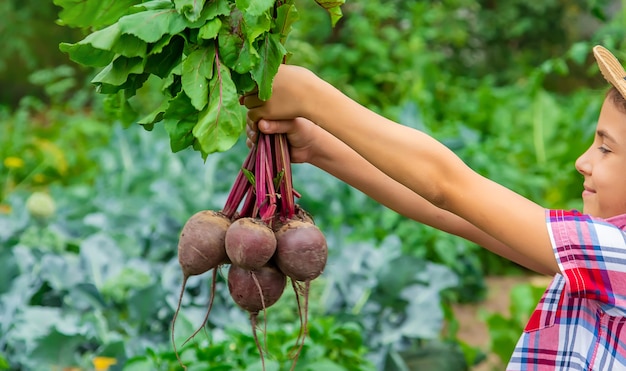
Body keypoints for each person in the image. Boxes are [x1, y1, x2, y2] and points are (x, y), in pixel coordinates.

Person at [242, 45, 626, 370]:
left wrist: (312, 97)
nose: (583, 161)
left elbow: (447, 186)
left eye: (606, 149)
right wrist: (319, 149)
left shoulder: (617, 256)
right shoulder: (598, 258)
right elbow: (453, 214)